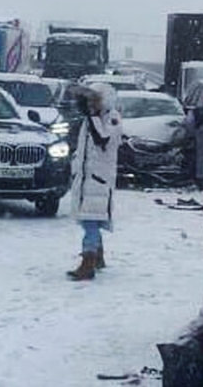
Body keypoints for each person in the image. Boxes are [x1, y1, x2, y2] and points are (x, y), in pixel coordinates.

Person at [66, 82, 122, 281]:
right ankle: (98, 256)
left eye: (94, 100)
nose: (91, 105)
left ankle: (88, 262)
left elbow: (102, 139)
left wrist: (93, 116)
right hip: (86, 179)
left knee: (91, 220)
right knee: (88, 219)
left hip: (99, 179)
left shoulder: (112, 118)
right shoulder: (91, 120)